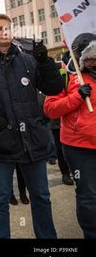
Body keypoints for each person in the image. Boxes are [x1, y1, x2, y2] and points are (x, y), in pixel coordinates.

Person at [0, 14, 64, 239]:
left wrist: (46, 62)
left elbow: (55, 88)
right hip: (1, 141)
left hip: (33, 141)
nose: (4, 31)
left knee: (41, 196)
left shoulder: (28, 60)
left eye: (7, 28)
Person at [44, 33, 96, 238]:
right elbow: (50, 109)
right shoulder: (64, 76)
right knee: (88, 195)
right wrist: (77, 96)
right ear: (79, 56)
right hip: (79, 147)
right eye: (89, 57)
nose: (93, 61)